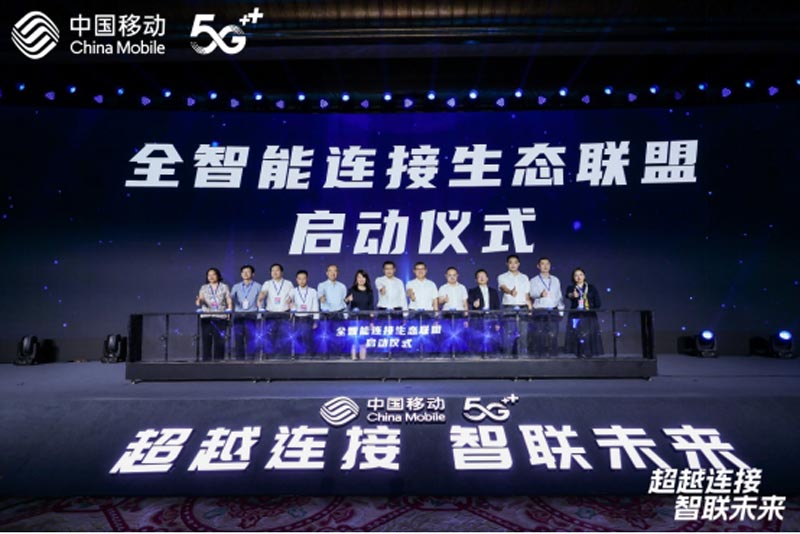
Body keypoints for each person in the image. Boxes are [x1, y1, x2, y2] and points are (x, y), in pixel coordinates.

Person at [564, 267, 604, 358]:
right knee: (577, 333)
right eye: (576, 275)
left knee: (589, 334)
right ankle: (579, 353)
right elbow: (568, 295)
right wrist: (573, 295)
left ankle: (588, 353)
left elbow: (598, 303)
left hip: (589, 314)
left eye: (581, 275)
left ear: (584, 276)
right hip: (576, 315)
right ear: (573, 277)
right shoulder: (571, 287)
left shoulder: (591, 287)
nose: (579, 277)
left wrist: (589, 306)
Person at [497, 254, 532, 356]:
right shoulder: (502, 276)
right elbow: (503, 287)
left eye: (515, 262)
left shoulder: (524, 277)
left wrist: (530, 308)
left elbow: (527, 295)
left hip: (523, 307)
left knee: (523, 334)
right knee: (509, 334)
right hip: (509, 307)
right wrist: (510, 292)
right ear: (507, 264)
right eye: (510, 262)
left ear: (518, 264)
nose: (513, 265)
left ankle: (523, 357)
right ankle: (507, 357)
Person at [256, 263, 294, 357]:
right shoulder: (267, 283)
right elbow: (262, 294)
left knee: (285, 336)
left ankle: (285, 357)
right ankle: (269, 357)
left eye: (277, 270)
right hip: (271, 313)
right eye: (272, 271)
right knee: (270, 336)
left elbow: (292, 298)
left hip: (284, 313)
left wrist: (292, 309)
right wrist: (261, 297)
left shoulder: (288, 283)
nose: (274, 272)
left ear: (281, 272)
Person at [528, 257, 563, 357]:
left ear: (550, 265)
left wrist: (561, 311)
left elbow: (559, 296)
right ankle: (540, 356)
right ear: (538, 266)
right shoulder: (534, 280)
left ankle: (553, 356)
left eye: (547, 264)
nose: (545, 266)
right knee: (540, 336)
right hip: (540, 311)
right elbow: (531, 294)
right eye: (542, 264)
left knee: (553, 335)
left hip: (553, 310)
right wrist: (540, 294)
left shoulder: (555, 280)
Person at [195, 267, 232, 361]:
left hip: (220, 316)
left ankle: (219, 362)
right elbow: (200, 299)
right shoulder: (204, 287)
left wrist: (229, 312)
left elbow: (228, 300)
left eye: (213, 274)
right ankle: (206, 361)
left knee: (219, 341)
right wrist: (199, 301)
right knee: (206, 340)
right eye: (209, 275)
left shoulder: (224, 286)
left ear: (218, 276)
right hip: (206, 317)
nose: (211, 277)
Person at [230, 265, 262, 360]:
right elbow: (230, 300)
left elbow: (261, 302)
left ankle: (251, 361)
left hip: (252, 315)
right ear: (241, 274)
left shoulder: (258, 286)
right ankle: (239, 361)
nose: (245, 273)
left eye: (248, 271)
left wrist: (259, 316)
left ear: (253, 274)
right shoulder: (236, 287)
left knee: (251, 340)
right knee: (238, 339)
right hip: (239, 315)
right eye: (243, 272)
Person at [317, 264, 348, 357]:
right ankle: (325, 355)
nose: (333, 273)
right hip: (327, 314)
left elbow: (344, 302)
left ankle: (338, 355)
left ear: (337, 273)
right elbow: (321, 295)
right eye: (330, 271)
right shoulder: (322, 285)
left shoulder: (342, 286)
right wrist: (322, 298)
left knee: (339, 336)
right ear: (327, 273)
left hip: (339, 313)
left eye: (335, 271)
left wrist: (345, 315)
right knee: (326, 336)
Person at [438, 267, 469, 356]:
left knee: (460, 336)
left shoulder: (462, 287)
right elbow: (439, 302)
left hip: (459, 314)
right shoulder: (443, 288)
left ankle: (460, 356)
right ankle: (446, 355)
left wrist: (466, 317)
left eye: (454, 275)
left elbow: (465, 303)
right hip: (446, 315)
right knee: (447, 336)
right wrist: (444, 300)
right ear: (446, 276)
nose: (452, 277)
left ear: (457, 275)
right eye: (450, 275)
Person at [468, 269, 501, 354]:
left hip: (491, 317)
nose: (481, 278)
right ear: (476, 280)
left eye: (483, 276)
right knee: (478, 339)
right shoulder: (472, 291)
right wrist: (474, 303)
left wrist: (497, 322)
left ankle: (491, 355)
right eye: (479, 277)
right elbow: (470, 300)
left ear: (487, 278)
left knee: (492, 338)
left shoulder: (493, 291)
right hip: (478, 318)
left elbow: (497, 307)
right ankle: (478, 356)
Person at [289, 270, 319, 358]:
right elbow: (288, 300)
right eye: (299, 279)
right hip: (297, 318)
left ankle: (309, 356)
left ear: (307, 279)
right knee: (297, 338)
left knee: (307, 338)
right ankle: (297, 356)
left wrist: (316, 320)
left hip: (308, 317)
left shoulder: (313, 291)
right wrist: (289, 302)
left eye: (304, 278)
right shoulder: (293, 291)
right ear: (296, 280)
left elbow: (315, 306)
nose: (302, 281)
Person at [345, 270, 374, 360]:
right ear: (356, 279)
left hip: (365, 320)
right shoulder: (352, 290)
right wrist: (348, 299)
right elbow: (345, 302)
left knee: (363, 342)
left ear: (366, 279)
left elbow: (371, 307)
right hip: (354, 320)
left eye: (363, 277)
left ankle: (363, 360)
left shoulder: (369, 291)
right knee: (354, 341)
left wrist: (371, 322)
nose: (361, 279)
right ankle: (353, 359)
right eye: (359, 277)